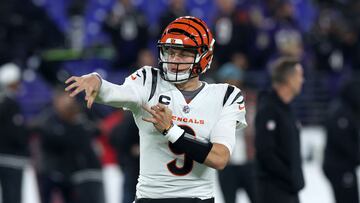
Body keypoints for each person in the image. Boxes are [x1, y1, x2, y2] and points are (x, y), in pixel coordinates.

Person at [65, 16, 247, 203]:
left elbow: (219, 158)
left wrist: (171, 131)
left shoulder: (226, 95)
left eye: (184, 53)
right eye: (170, 52)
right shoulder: (149, 80)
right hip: (151, 198)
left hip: (198, 198)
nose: (175, 59)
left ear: (204, 56)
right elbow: (120, 93)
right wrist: (99, 83)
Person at [37, 88, 105, 203]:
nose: (68, 102)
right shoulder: (50, 120)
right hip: (55, 170)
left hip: (84, 172)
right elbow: (51, 140)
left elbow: (98, 129)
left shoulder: (83, 117)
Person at [254, 57, 305, 203]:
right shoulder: (268, 109)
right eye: (300, 76)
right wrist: (290, 176)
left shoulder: (287, 109)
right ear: (289, 79)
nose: (303, 80)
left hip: (289, 190)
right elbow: (265, 152)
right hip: (274, 191)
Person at [323, 77, 360, 203]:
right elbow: (343, 142)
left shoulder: (346, 110)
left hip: (344, 166)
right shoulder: (341, 112)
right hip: (340, 167)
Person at [0, 63, 30, 203]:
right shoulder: (11, 104)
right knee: (13, 197)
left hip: (4, 157)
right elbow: (16, 133)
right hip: (12, 158)